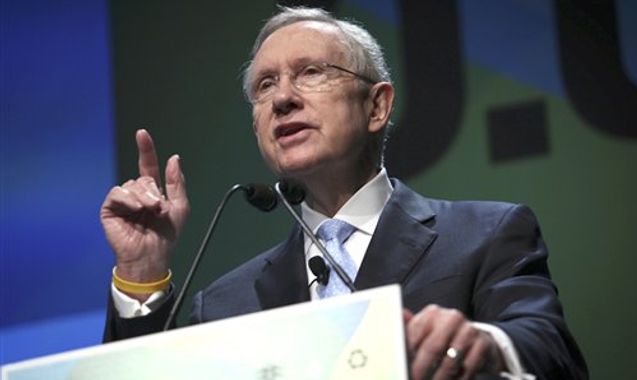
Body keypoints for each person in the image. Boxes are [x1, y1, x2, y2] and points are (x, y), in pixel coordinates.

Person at [101, 6, 587, 380]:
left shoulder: (485, 234)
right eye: (265, 85)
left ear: (377, 106)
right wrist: (141, 274)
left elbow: (549, 349)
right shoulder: (226, 304)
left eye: (311, 72)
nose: (283, 97)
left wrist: (481, 344)